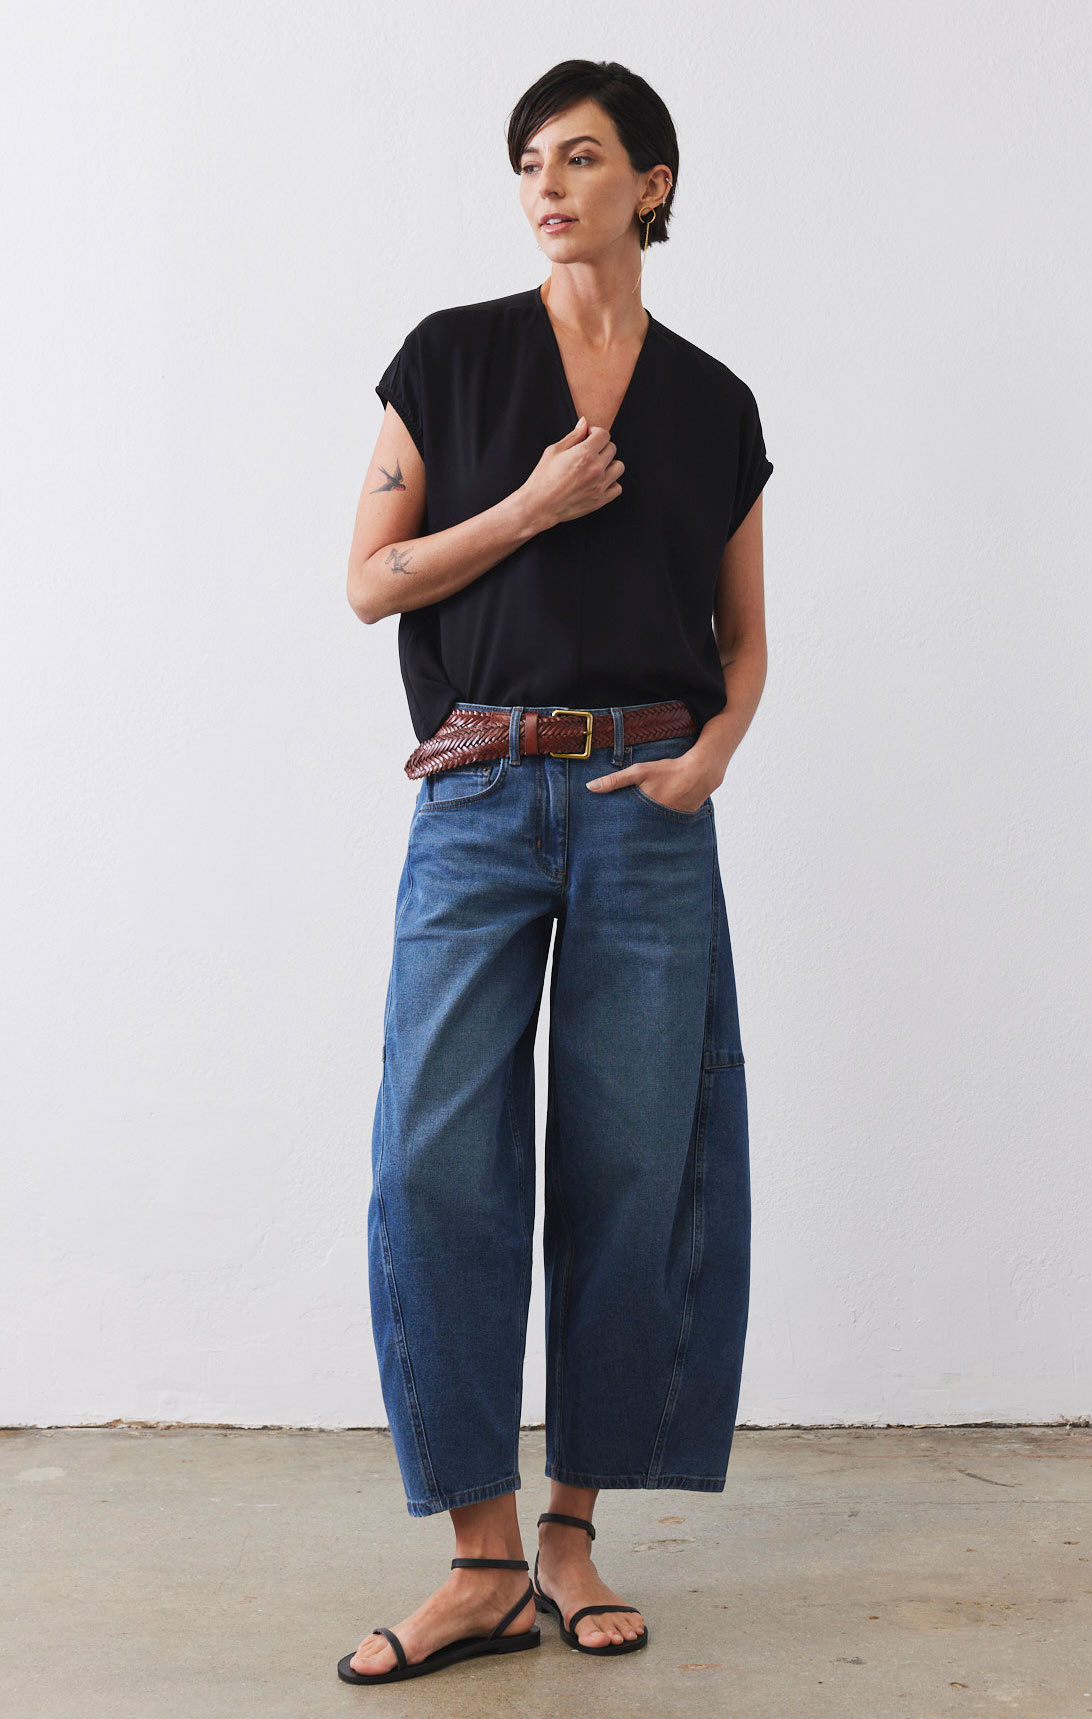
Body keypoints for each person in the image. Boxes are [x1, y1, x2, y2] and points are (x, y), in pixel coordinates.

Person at [338, 57, 773, 1687]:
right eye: (529, 159)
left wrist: (710, 757)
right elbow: (372, 580)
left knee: (631, 1170)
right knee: (432, 1163)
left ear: (650, 186)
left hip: (646, 799)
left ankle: (572, 1534)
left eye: (581, 157)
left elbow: (743, 639)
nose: (547, 184)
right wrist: (526, 507)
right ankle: (477, 1559)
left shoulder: (713, 404)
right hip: (476, 795)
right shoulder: (451, 361)